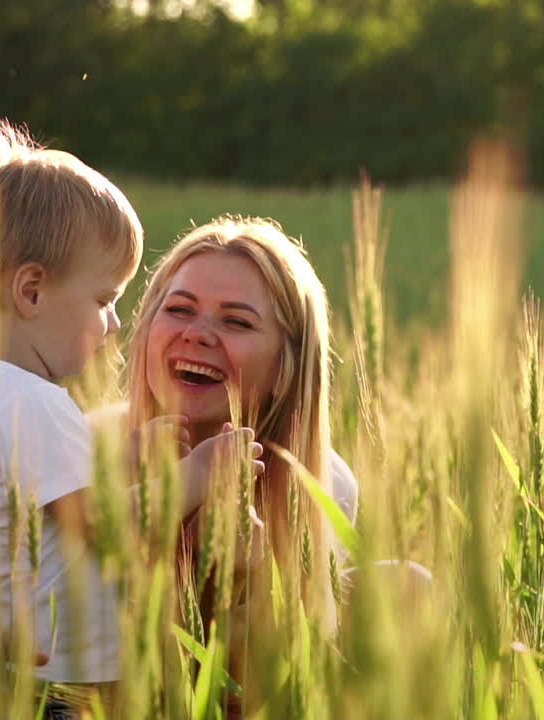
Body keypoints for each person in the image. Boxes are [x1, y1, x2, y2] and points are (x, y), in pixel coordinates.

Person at [0, 120, 255, 691]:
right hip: (53, 683)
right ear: (31, 291)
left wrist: (126, 460)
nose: (113, 324)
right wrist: (199, 473)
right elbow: (108, 528)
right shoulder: (33, 402)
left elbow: (56, 511)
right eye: (103, 299)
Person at [110, 215, 360, 711]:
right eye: (179, 309)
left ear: (286, 366)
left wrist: (249, 590)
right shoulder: (89, 448)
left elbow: (278, 696)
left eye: (237, 321)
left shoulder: (323, 485)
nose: (198, 334)